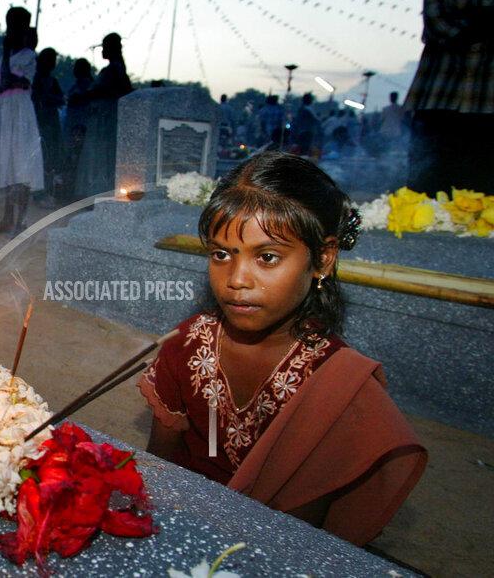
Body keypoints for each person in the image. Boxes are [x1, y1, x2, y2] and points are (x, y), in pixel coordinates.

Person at [140, 152, 426, 546]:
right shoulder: (188, 344)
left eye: (267, 257)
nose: (237, 280)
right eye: (221, 254)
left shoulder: (340, 387)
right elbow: (159, 467)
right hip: (180, 528)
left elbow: (312, 534)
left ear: (322, 258)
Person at [404, 0, 493, 195]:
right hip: (484, 98)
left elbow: (439, 28)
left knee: (429, 186)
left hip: (439, 92)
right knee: (481, 189)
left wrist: (471, 20)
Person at [0, 6, 44, 234]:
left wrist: (7, 54)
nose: (13, 30)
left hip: (20, 114)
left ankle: (21, 220)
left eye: (19, 26)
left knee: (22, 164)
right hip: (3, 114)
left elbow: (13, 81)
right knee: (7, 163)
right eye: (11, 25)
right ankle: (7, 219)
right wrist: (4, 82)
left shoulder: (28, 56)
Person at [74, 33, 133, 199]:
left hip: (105, 120)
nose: (101, 51)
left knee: (100, 155)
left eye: (104, 47)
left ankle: (98, 193)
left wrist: (87, 94)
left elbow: (106, 91)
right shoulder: (115, 69)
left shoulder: (114, 70)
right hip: (102, 119)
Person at [32, 47, 65, 206]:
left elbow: (60, 99)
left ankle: (45, 192)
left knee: (49, 158)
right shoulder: (35, 79)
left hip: (50, 123)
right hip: (39, 123)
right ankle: (39, 193)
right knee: (40, 158)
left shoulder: (52, 81)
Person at [63, 58, 94, 203]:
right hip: (74, 125)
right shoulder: (81, 85)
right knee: (73, 160)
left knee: (76, 159)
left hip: (79, 127)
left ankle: (75, 193)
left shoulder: (86, 85)